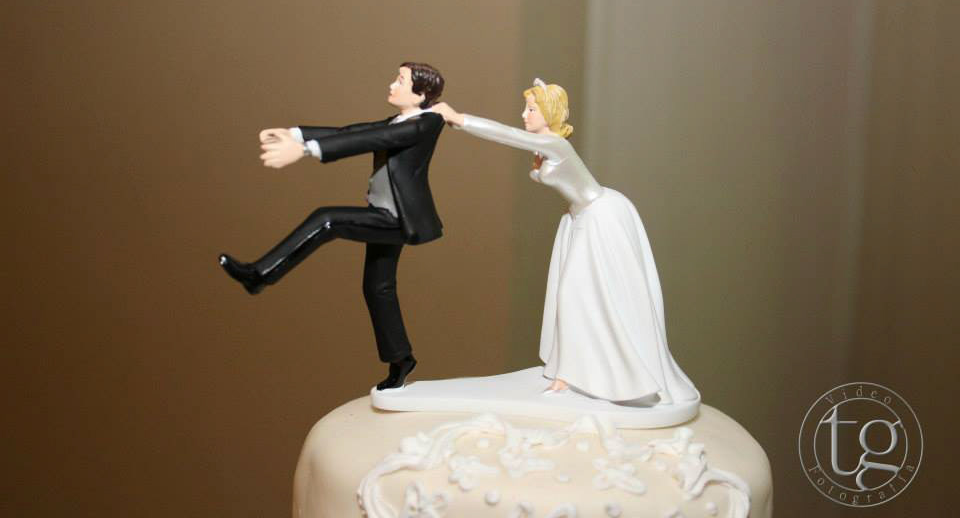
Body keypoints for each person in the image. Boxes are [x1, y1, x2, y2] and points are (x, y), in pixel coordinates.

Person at [429, 80, 698, 404]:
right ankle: (569, 372)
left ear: (548, 113)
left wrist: (460, 119)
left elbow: (508, 135)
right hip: (577, 217)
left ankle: (586, 375)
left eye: (531, 109)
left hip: (599, 216)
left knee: (575, 292)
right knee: (569, 293)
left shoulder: (555, 144)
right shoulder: (546, 147)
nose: (524, 114)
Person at [219, 62, 446, 390]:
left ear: (420, 93)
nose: (392, 85)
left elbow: (372, 139)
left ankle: (261, 275)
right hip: (384, 211)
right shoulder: (398, 120)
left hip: (400, 219)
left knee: (328, 219)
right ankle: (401, 359)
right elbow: (351, 132)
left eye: (400, 80)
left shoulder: (426, 123)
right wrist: (295, 134)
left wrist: (305, 151)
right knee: (377, 287)